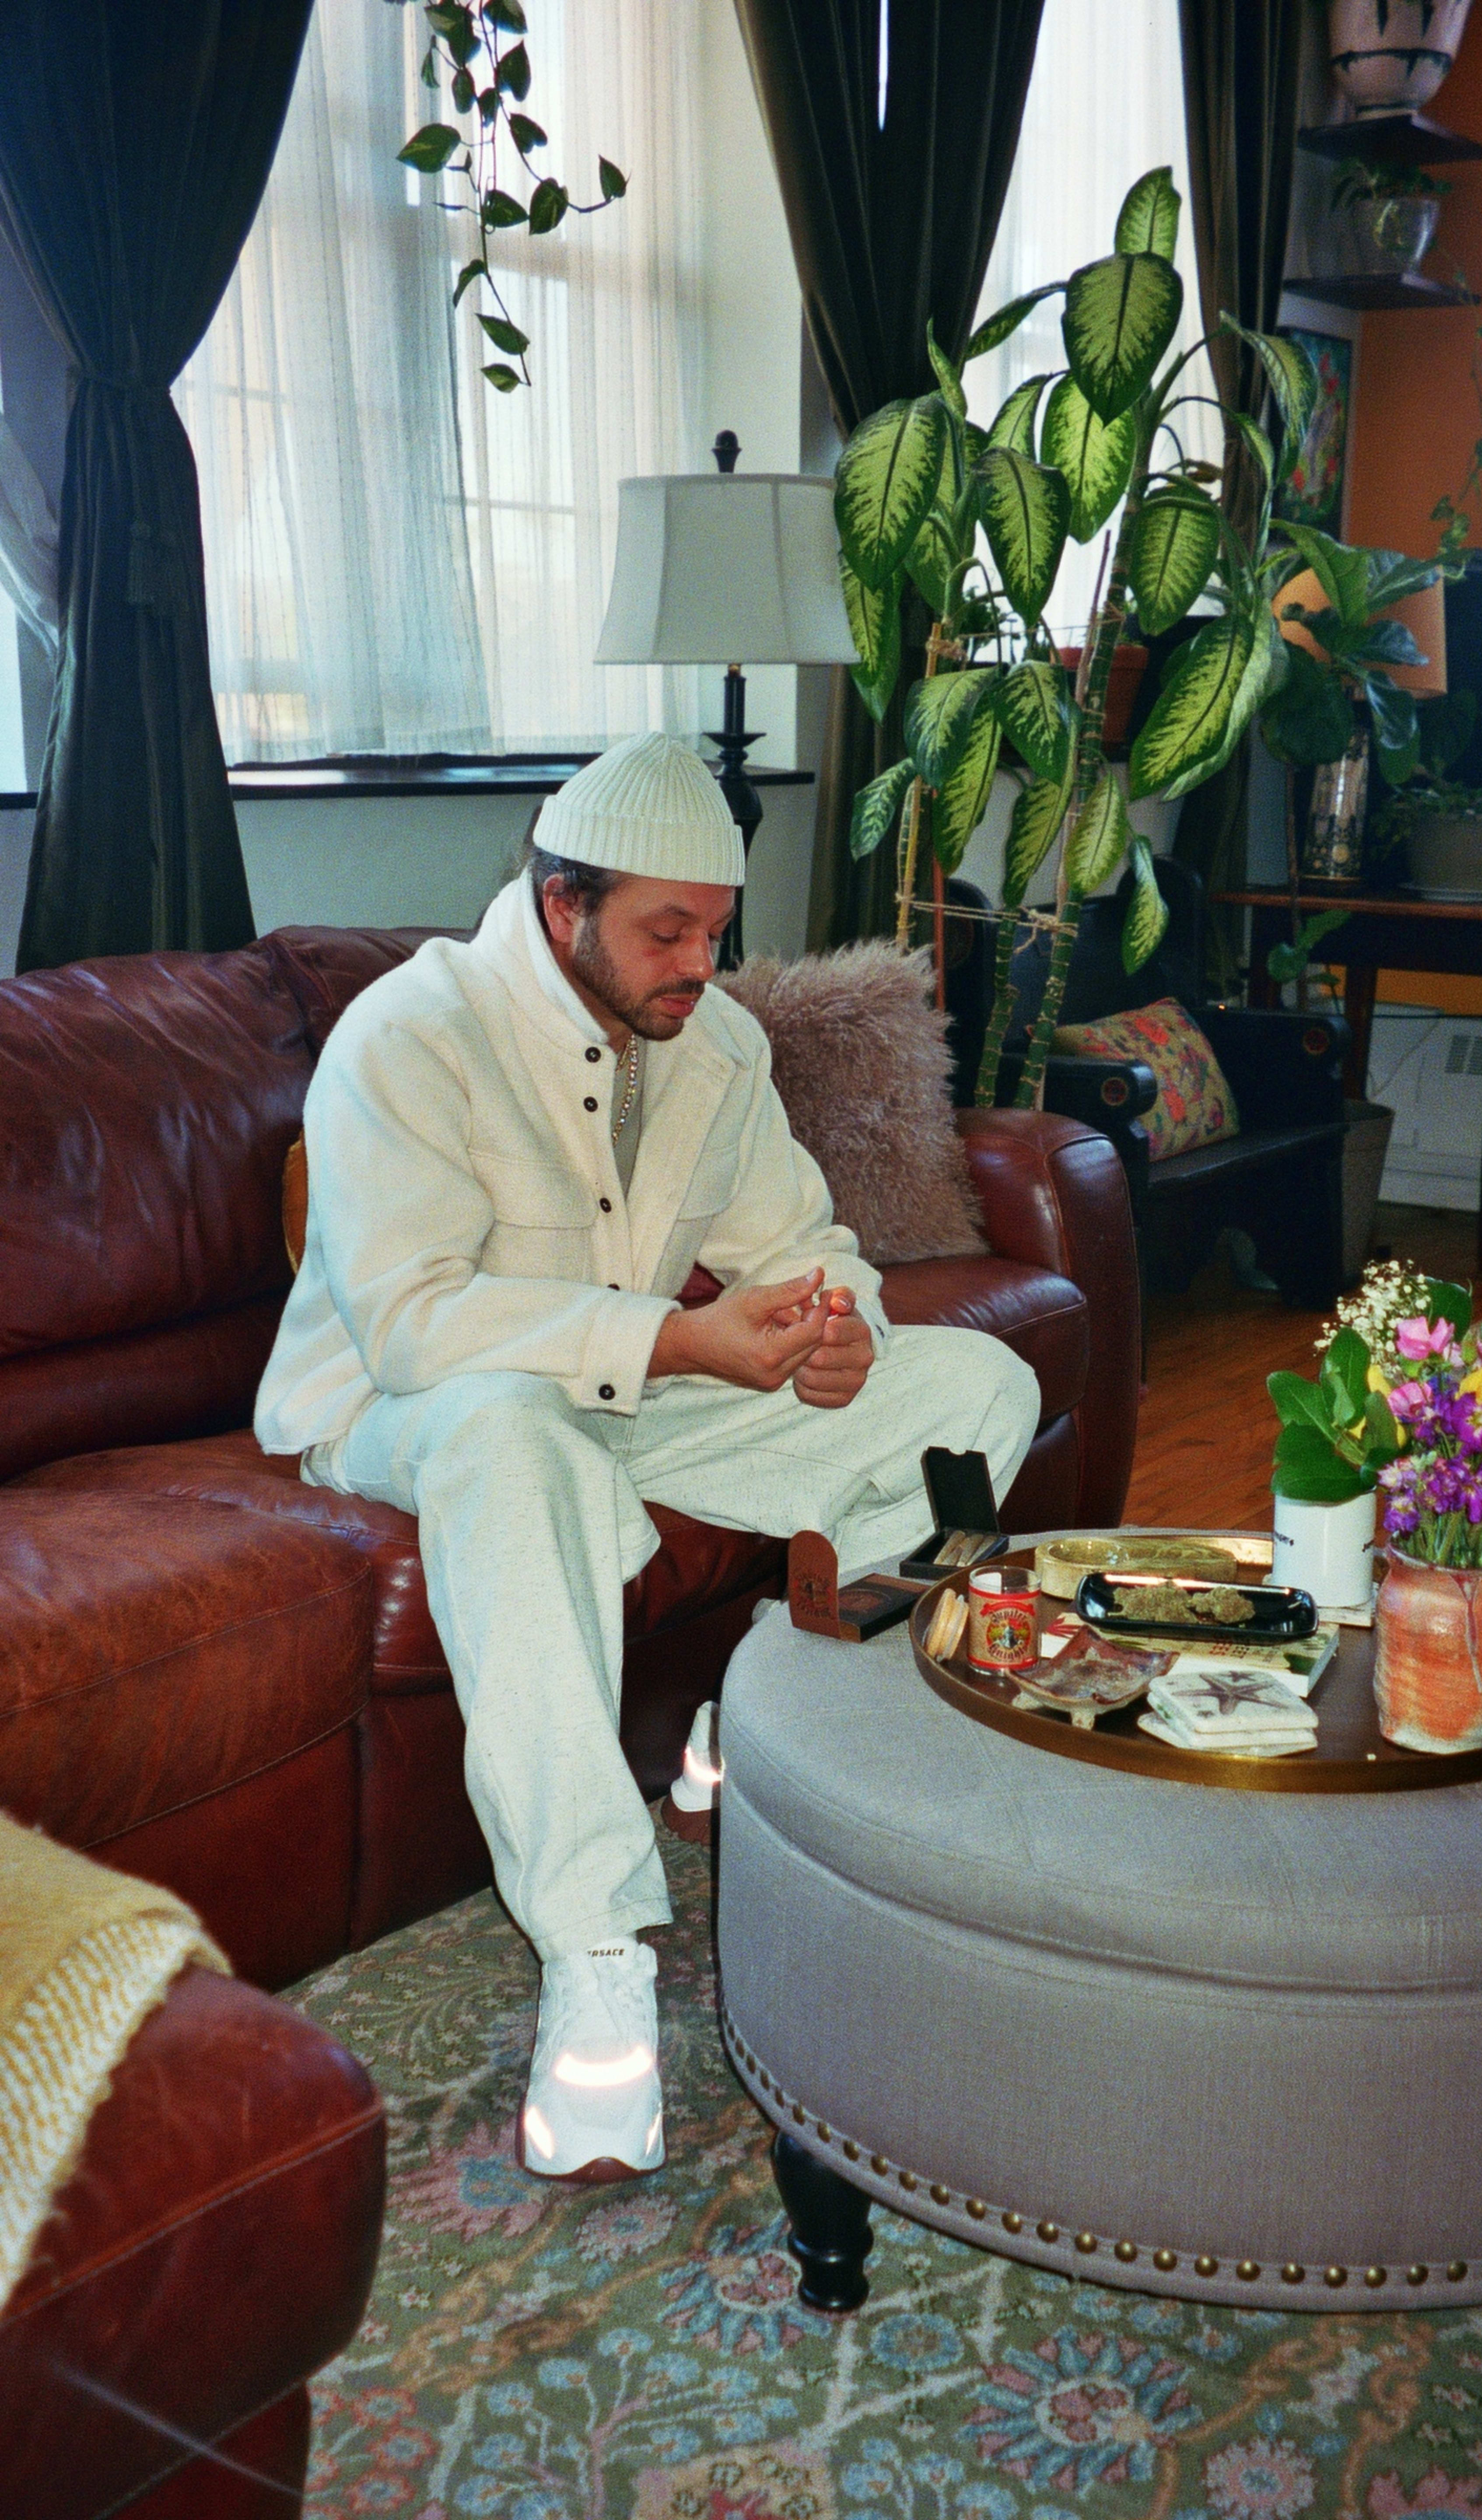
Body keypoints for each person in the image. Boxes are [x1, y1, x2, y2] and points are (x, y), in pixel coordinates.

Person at [255, 732, 1040, 2185]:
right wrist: (681, 1345)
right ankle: (595, 1944)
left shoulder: (716, 1043)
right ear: (563, 908)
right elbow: (421, 1326)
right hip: (402, 1407)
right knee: (512, 1436)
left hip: (620, 1410)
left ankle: (770, 1701)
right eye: (664, 932)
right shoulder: (410, 1035)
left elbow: (805, 1250)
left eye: (716, 931)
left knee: (977, 1388)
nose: (698, 962)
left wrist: (840, 1330)